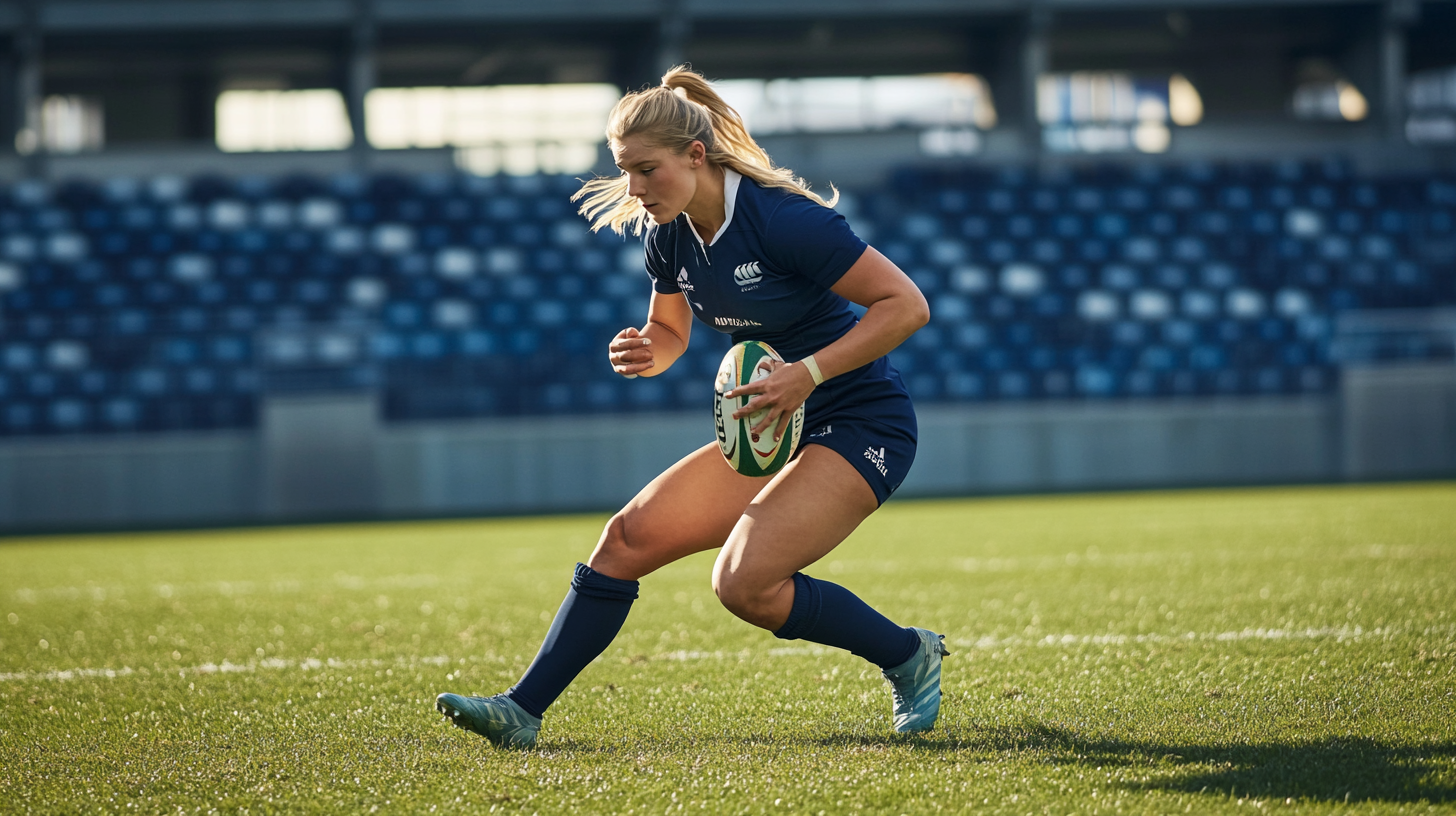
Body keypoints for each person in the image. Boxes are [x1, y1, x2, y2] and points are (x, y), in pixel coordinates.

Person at [435, 65, 948, 748]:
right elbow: (672, 331)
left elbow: (907, 306)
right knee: (625, 541)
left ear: (695, 155)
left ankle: (907, 655)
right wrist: (648, 347)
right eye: (625, 173)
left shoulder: (783, 220)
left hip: (860, 419)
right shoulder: (670, 235)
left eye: (646, 170)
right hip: (772, 422)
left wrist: (808, 373)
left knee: (744, 585)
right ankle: (521, 712)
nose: (634, 189)